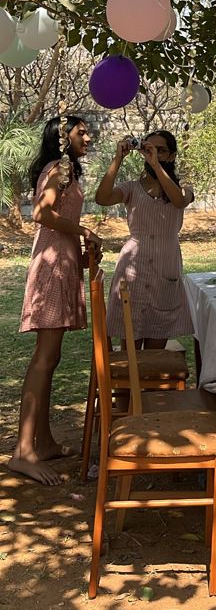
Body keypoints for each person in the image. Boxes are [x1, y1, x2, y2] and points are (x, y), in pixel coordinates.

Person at [9, 115, 102, 486]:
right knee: (44, 358)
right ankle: (24, 452)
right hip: (50, 268)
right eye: (82, 132)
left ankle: (42, 441)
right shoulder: (57, 167)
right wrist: (82, 229)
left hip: (62, 264)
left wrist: (81, 253)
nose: (89, 137)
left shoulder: (67, 171)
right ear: (63, 138)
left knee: (53, 356)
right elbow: (42, 214)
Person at [97, 130, 194, 348]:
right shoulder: (131, 188)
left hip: (165, 266)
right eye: (150, 149)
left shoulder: (183, 187)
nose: (155, 155)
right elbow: (102, 198)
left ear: (172, 156)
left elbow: (178, 200)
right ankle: (130, 382)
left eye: (161, 151)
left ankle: (150, 383)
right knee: (130, 344)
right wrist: (118, 159)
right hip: (133, 268)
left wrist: (156, 166)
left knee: (156, 346)